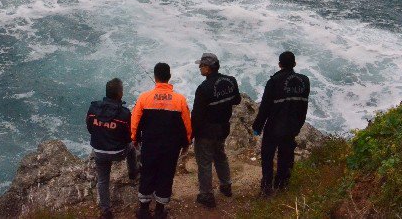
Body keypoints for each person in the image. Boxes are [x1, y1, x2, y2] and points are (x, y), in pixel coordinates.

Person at [131, 63, 192, 219]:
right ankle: (159, 210)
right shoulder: (180, 100)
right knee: (166, 174)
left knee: (147, 173)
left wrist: (135, 139)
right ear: (169, 77)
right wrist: (186, 143)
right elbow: (186, 126)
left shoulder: (144, 97)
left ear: (155, 77)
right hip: (171, 147)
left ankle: (144, 210)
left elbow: (135, 122)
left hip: (150, 145)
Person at [252, 51, 310, 196]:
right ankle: (282, 184)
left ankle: (266, 187)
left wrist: (257, 127)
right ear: (294, 64)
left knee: (267, 156)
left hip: (274, 126)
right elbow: (304, 106)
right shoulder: (304, 81)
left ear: (279, 65)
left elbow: (265, 107)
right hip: (291, 126)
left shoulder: (274, 81)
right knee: (286, 155)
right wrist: (298, 125)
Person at [191, 53, 241, 208]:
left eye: (201, 66)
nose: (199, 68)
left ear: (207, 68)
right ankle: (226, 186)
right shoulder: (230, 80)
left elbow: (197, 116)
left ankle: (206, 195)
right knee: (220, 156)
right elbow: (237, 100)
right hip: (223, 128)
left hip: (206, 131)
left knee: (205, 162)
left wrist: (191, 134)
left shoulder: (203, 88)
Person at [86, 78, 138, 219]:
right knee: (132, 147)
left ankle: (106, 211)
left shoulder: (93, 109)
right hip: (118, 152)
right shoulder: (125, 114)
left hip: (99, 151)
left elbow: (90, 128)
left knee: (103, 180)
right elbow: (129, 136)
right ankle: (133, 173)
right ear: (120, 94)